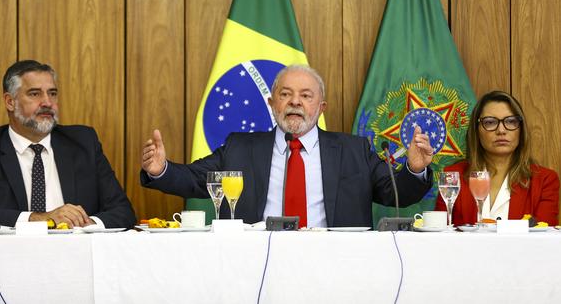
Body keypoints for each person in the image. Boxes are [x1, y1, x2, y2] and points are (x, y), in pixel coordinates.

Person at [141, 64, 434, 227]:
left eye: (306, 96)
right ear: (272, 104)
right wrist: (161, 170)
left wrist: (414, 169)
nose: (295, 101)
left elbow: (395, 192)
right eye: (286, 94)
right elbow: (194, 180)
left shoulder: (353, 150)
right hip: (257, 263)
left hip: (336, 265)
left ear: (321, 107)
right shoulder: (240, 148)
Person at [0, 60, 136, 228]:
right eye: (35, 94)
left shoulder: (84, 143)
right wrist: (38, 218)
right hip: (10, 256)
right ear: (10, 102)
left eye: (52, 93)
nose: (47, 103)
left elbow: (123, 212)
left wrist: (82, 224)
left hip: (75, 253)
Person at [435, 91, 559, 225]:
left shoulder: (544, 181)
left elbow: (544, 239)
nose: (501, 130)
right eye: (490, 122)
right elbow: (440, 235)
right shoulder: (453, 176)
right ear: (476, 131)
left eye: (511, 121)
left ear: (521, 130)